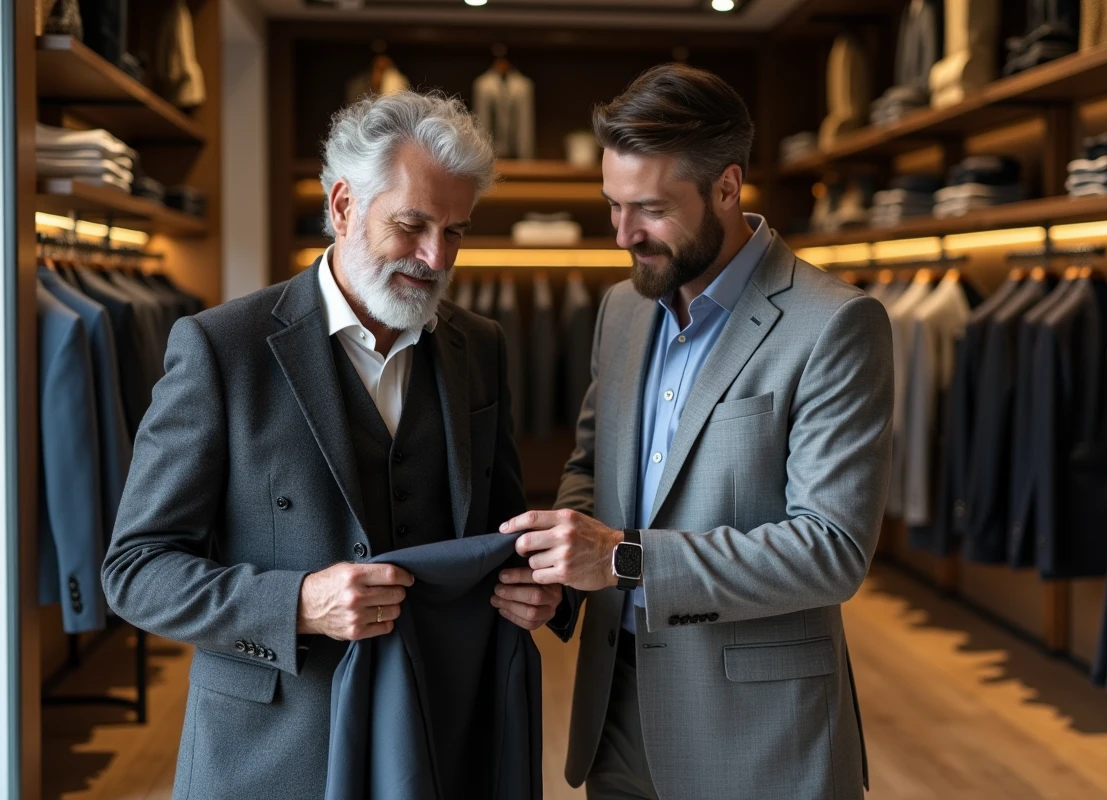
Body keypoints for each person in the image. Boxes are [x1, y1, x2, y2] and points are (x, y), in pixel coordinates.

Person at [101, 91, 562, 799]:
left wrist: (537, 591)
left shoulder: (481, 346)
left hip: (440, 738)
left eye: (456, 232)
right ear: (344, 205)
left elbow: (496, 534)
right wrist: (295, 604)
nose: (436, 257)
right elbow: (136, 569)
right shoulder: (223, 349)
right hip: (277, 752)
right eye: (412, 225)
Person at [497, 64, 894, 800]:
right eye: (612, 205)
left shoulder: (835, 324)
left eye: (647, 208)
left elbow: (831, 551)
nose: (622, 234)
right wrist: (559, 581)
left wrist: (622, 560)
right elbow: (591, 470)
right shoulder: (621, 309)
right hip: (616, 721)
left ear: (726, 186)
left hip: (760, 742)